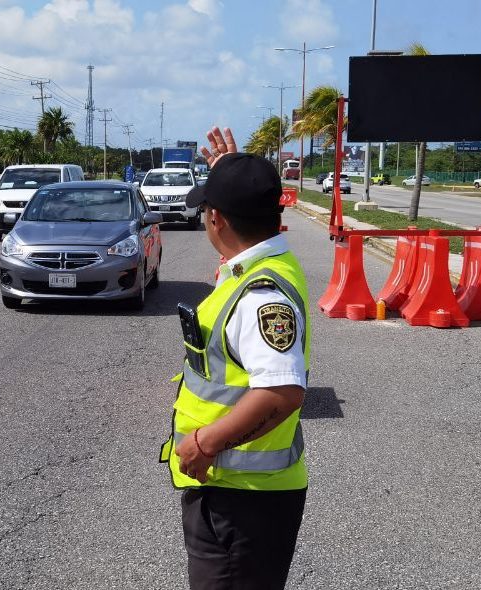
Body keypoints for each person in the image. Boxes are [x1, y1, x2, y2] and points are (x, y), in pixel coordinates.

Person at [160, 126, 311, 590]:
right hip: (236, 493)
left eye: (207, 208)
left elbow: (281, 393)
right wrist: (232, 172)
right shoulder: (256, 267)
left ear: (216, 220)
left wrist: (206, 444)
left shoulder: (261, 296)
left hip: (241, 501)